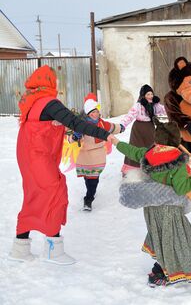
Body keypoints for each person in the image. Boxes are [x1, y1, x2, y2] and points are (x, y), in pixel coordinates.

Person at [9, 65, 115, 265]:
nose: (57, 83)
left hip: (28, 157)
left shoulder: (32, 102)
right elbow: (77, 123)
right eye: (54, 80)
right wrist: (105, 134)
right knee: (54, 193)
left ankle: (20, 248)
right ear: (49, 82)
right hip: (39, 157)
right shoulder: (50, 103)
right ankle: (53, 250)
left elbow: (43, 126)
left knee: (33, 196)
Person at [111, 120, 191, 287]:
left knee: (162, 235)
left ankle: (161, 267)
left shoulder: (149, 154)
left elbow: (132, 151)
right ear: (176, 140)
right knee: (174, 237)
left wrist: (116, 142)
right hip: (169, 208)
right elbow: (181, 188)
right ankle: (161, 272)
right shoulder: (178, 162)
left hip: (152, 207)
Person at [72, 93, 123, 211]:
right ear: (88, 113)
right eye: (93, 112)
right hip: (85, 155)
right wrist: (75, 137)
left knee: (93, 178)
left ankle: (88, 199)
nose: (96, 114)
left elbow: (111, 127)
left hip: (98, 154)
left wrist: (121, 127)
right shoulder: (81, 124)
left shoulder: (101, 123)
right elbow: (72, 136)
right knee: (87, 177)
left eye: (97, 112)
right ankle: (90, 191)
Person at [120, 84, 166, 176]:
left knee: (151, 148)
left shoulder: (155, 105)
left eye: (151, 94)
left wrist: (167, 124)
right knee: (135, 148)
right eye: (148, 94)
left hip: (150, 128)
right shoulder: (138, 105)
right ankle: (132, 171)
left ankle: (151, 169)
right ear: (143, 95)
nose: (150, 96)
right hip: (138, 129)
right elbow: (130, 115)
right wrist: (122, 125)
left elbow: (164, 112)